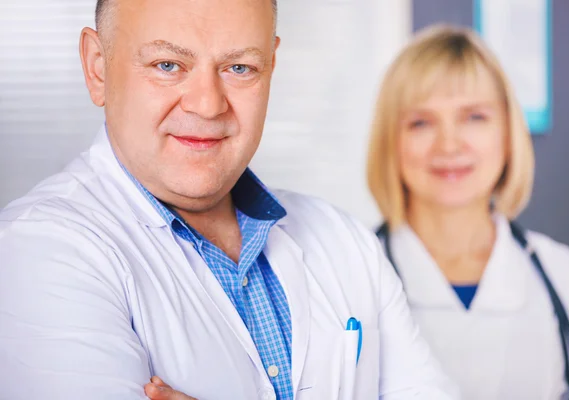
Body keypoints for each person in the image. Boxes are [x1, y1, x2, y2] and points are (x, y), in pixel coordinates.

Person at [0, 1, 459, 399]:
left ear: (271, 68)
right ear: (97, 66)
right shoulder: (40, 251)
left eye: (239, 68)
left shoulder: (345, 242)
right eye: (168, 65)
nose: (207, 104)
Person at [366, 24, 569, 400]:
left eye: (474, 117)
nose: (449, 143)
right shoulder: (348, 282)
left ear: (508, 134)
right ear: (390, 142)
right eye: (421, 122)